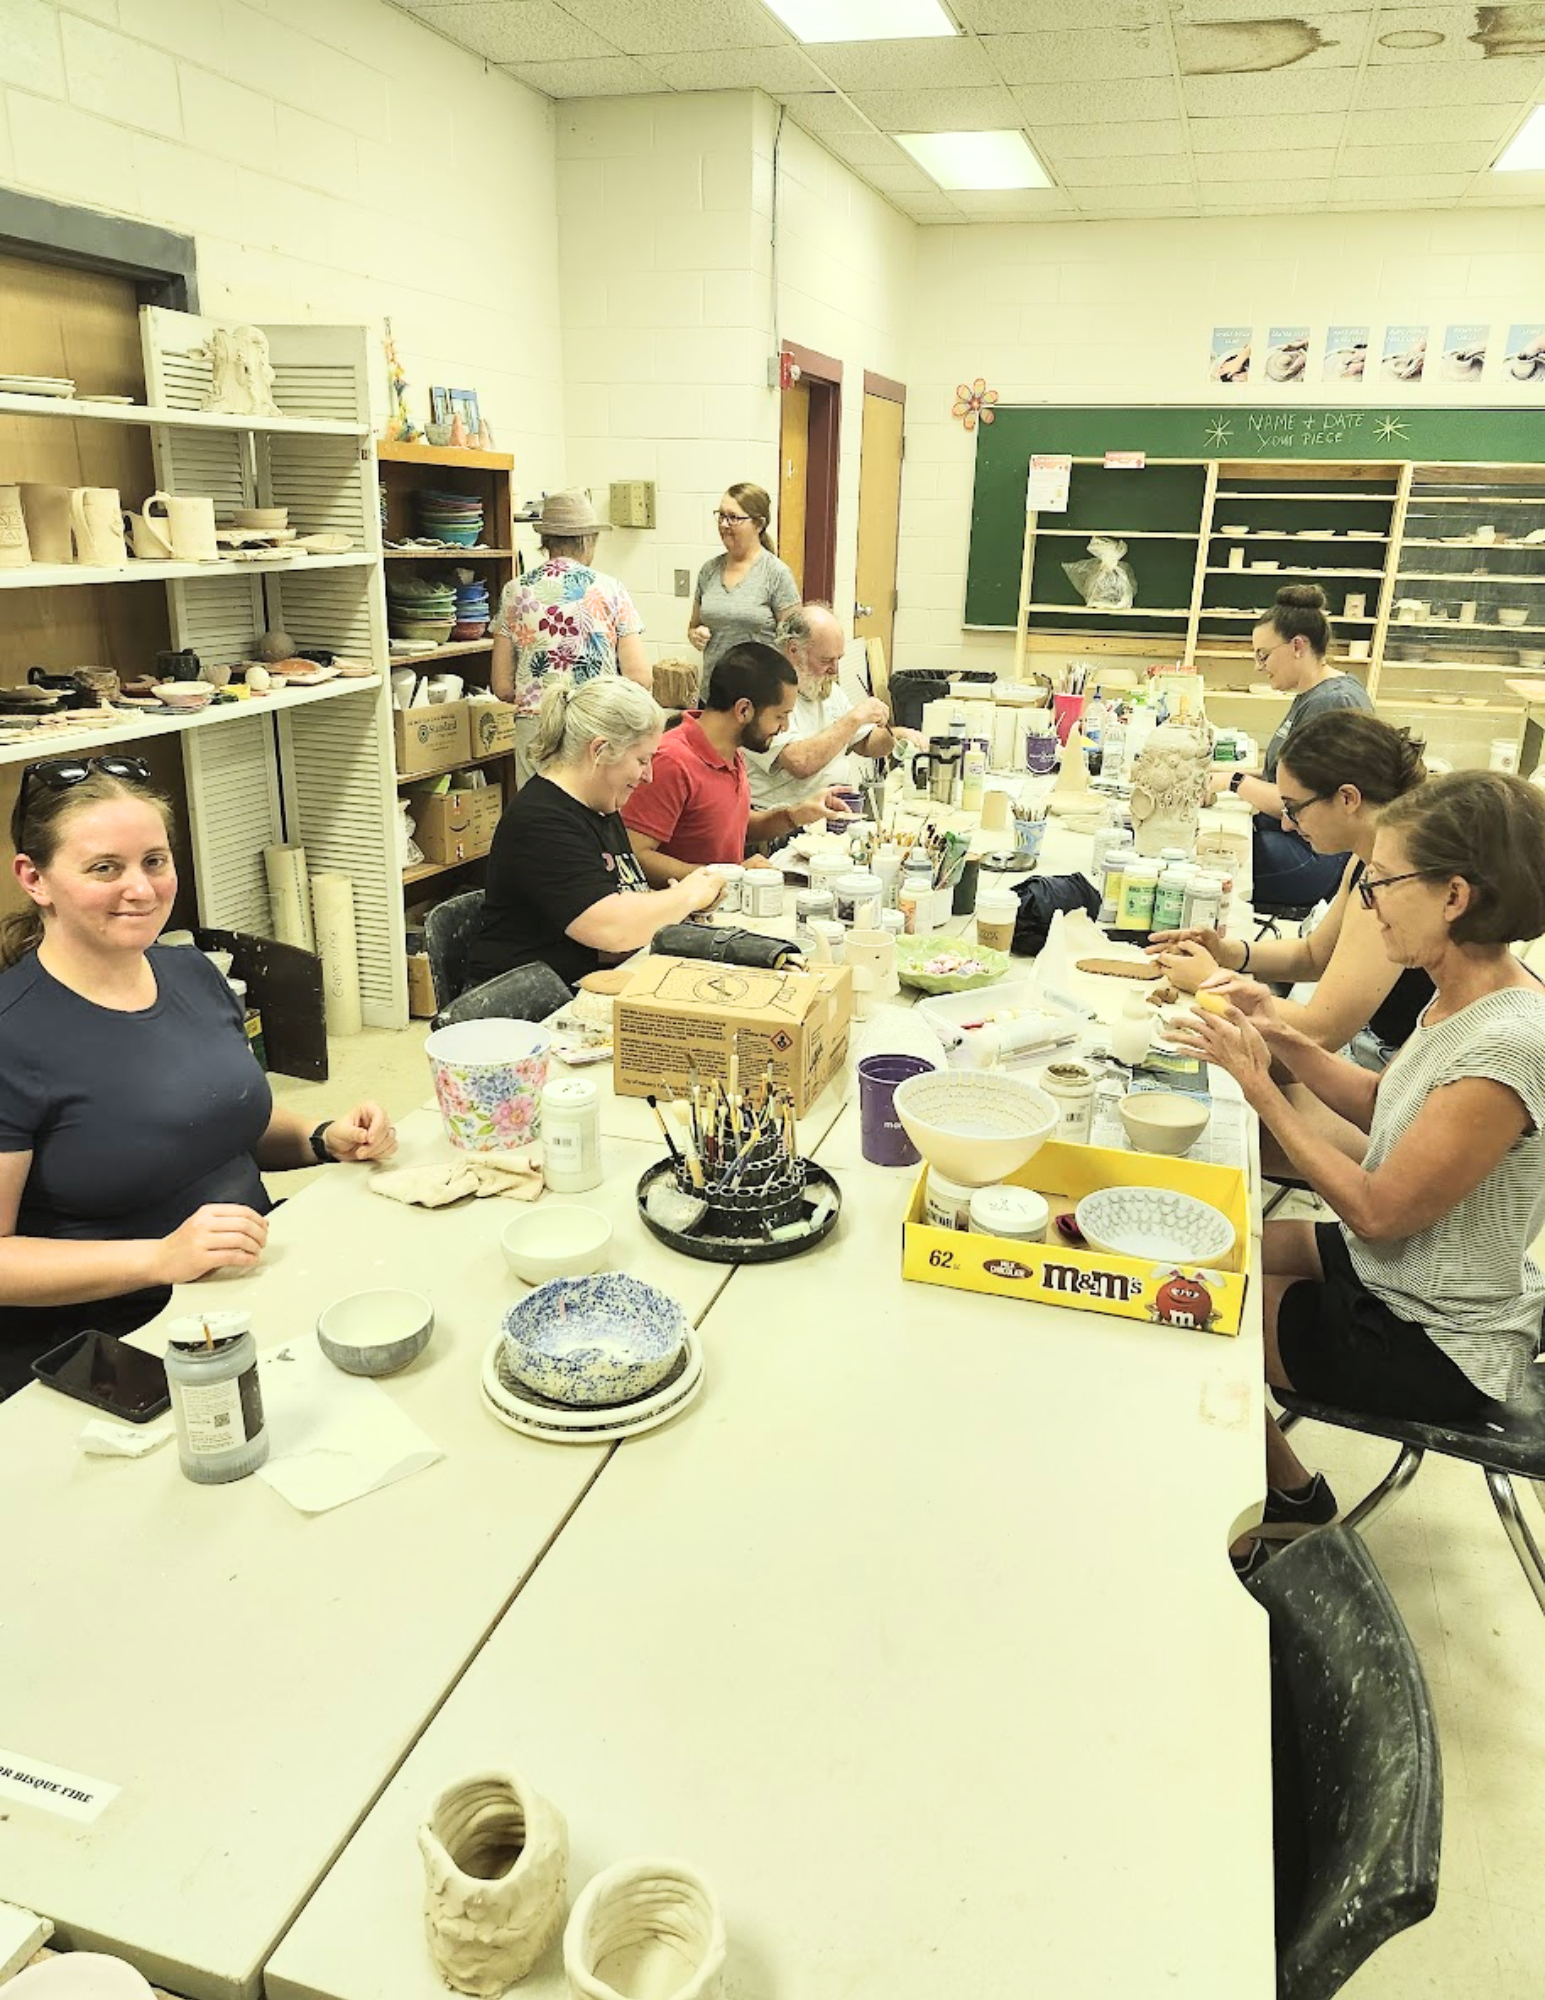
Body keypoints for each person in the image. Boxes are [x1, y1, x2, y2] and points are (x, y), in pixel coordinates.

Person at [1168, 772, 1545, 1576]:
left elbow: (1376, 1210)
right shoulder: (1459, 995)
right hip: (1398, 1275)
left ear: (1453, 895)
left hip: (1433, 1335)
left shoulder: (1509, 1044)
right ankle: (1286, 1493)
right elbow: (1385, 1102)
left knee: (1193, 1306)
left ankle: (1278, 1501)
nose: (1367, 903)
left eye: (1380, 883)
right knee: (1206, 1245)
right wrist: (1278, 1030)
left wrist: (1261, 1086)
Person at [0, 758, 397, 1400]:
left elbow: (225, 1120)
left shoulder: (192, 974)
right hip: (117, 1336)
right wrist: (158, 1257)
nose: (141, 889)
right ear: (34, 878)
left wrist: (324, 1137)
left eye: (155, 862)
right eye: (105, 868)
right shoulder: (12, 1034)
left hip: (249, 1280)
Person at [1151, 711, 1432, 1070]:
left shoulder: (1393, 880)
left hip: (1385, 1063)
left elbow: (1321, 1032)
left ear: (1348, 799)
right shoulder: (1367, 857)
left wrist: (1211, 982)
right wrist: (1228, 953)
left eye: (1295, 808)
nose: (1286, 822)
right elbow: (1314, 956)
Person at [467, 678, 722, 993]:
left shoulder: (603, 805)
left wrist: (675, 907)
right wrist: (688, 895)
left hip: (572, 985)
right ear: (600, 750)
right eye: (642, 760)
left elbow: (620, 898)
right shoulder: (541, 822)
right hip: (523, 1006)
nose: (649, 776)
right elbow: (612, 930)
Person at [1208, 584, 1373, 908]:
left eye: (1263, 654)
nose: (1258, 665)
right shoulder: (1311, 695)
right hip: (1291, 838)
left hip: (1314, 858)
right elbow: (1284, 776)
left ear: (1298, 645)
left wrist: (1234, 782)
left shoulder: (1333, 703)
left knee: (1210, 867)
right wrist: (1218, 772)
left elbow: (1304, 803)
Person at [622, 642, 829, 883]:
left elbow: (730, 825)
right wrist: (732, 875)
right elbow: (637, 856)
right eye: (780, 716)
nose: (784, 727)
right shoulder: (672, 761)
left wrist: (796, 814)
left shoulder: (732, 752)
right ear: (743, 710)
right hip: (679, 914)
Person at [490, 489, 650, 785]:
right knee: (588, 819)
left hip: (534, 726)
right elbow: (639, 678)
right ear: (587, 540)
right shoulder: (610, 589)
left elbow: (501, 686)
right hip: (593, 724)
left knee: (537, 821)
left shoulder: (515, 591)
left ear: (545, 541)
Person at [744, 602, 924, 819]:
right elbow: (800, 762)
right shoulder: (764, 692)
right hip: (781, 820)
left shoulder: (825, 688)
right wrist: (855, 718)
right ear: (793, 650)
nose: (835, 670)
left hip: (831, 811)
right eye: (826, 660)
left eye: (839, 659)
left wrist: (897, 736)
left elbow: (864, 743)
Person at [687, 483, 799, 692]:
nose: (724, 524)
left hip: (758, 697)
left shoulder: (776, 574)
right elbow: (693, 626)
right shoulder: (709, 570)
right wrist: (696, 635)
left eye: (733, 518)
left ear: (759, 524)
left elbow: (793, 645)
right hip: (714, 695)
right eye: (720, 516)